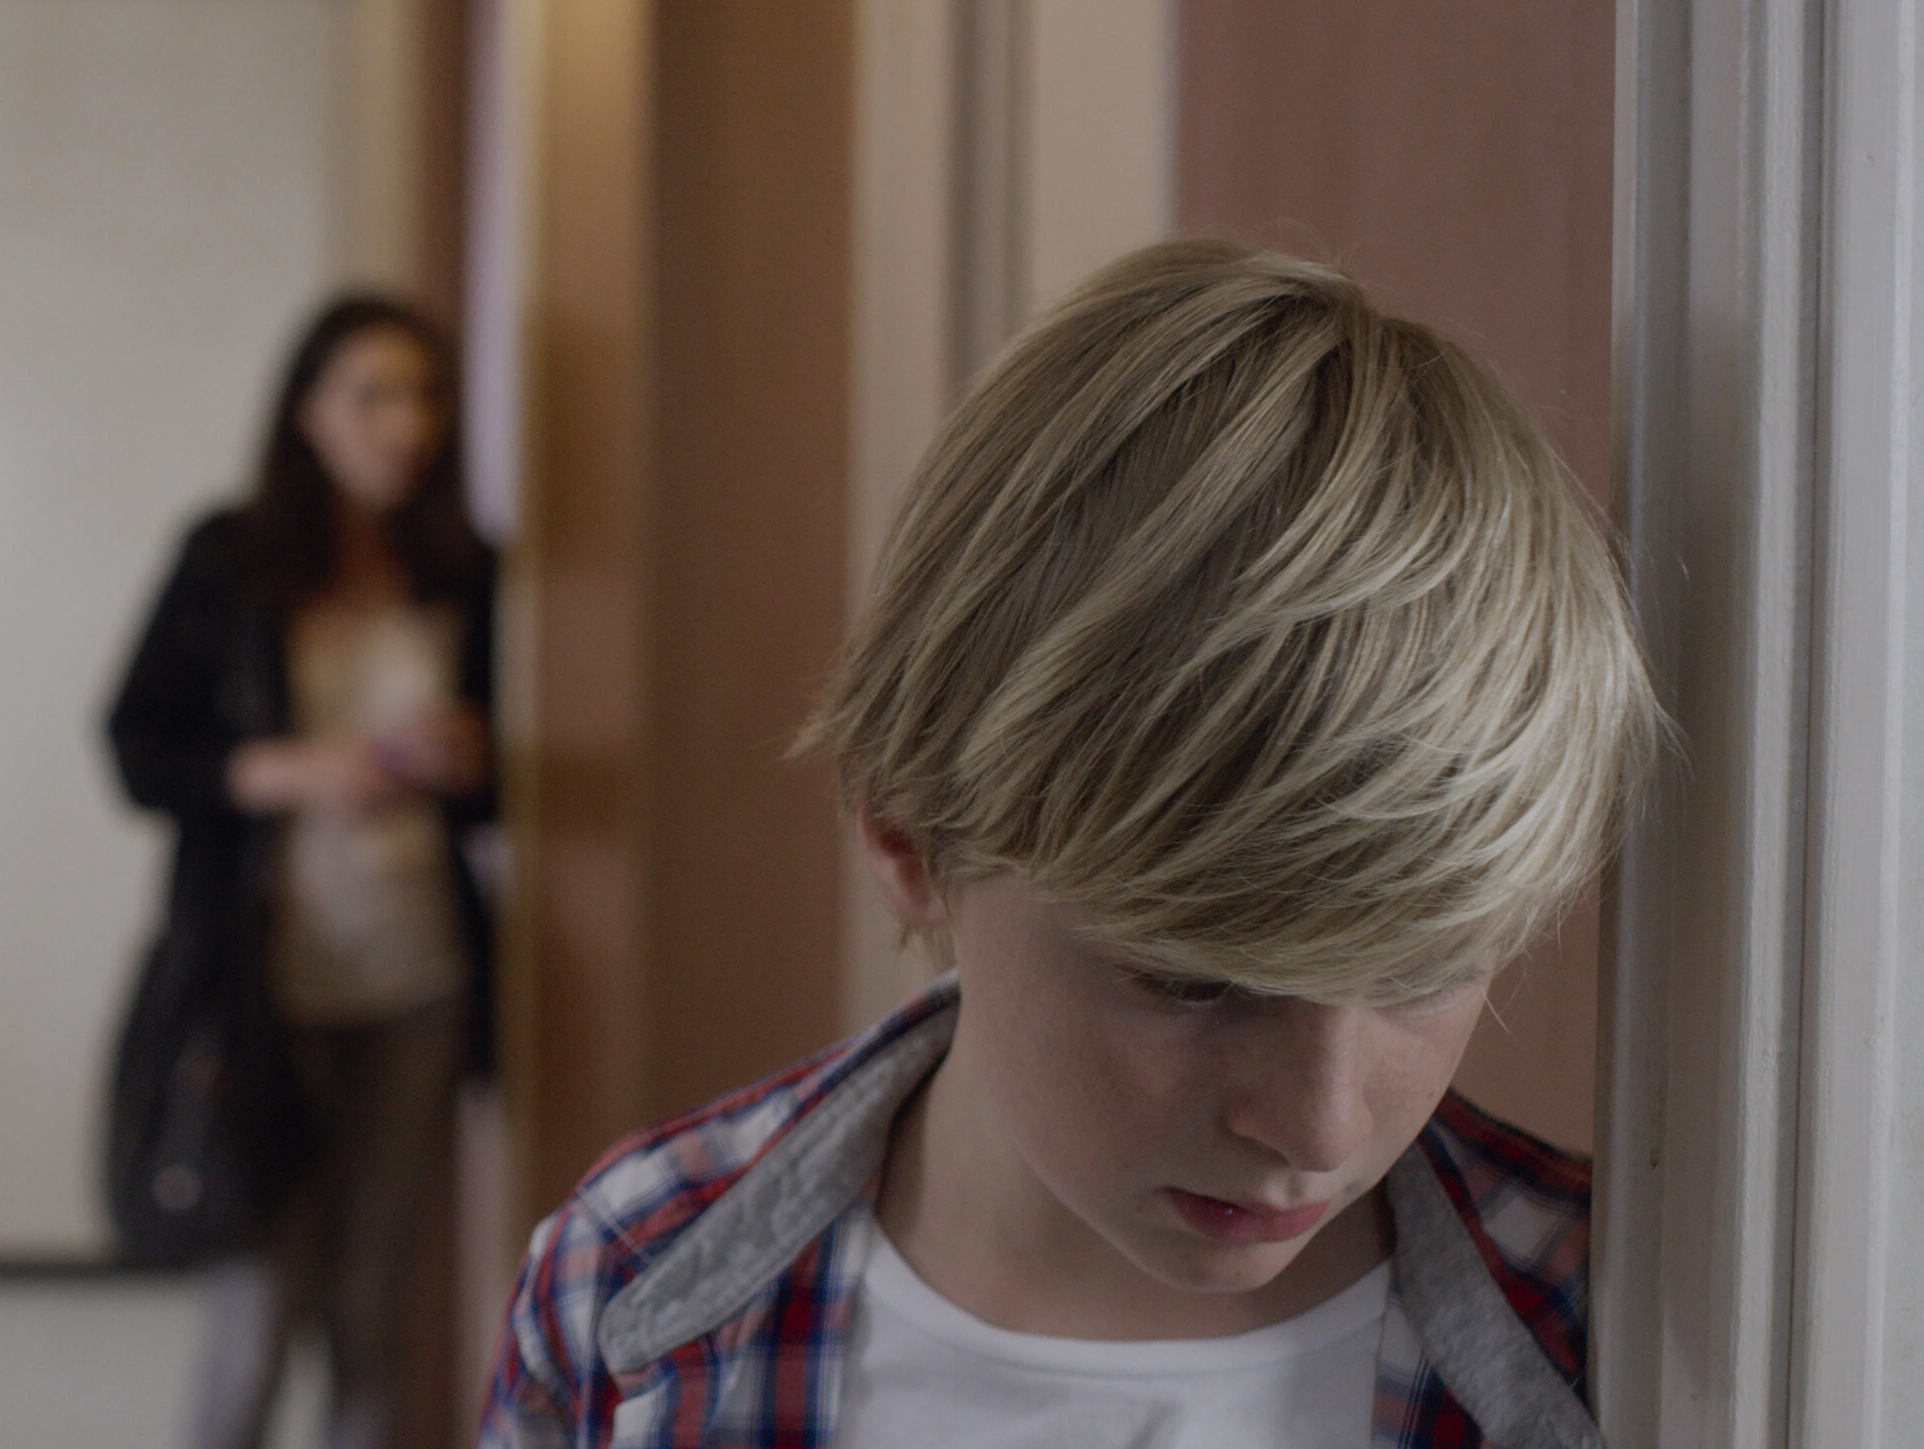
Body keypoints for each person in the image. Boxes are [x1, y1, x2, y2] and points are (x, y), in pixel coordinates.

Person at [477, 240, 1657, 1448]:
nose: (1318, 1126)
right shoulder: (626, 1288)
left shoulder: (1620, 1335)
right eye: (1193, 981)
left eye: (1417, 971)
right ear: (908, 831)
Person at [109, 294, 496, 1449]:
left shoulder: (464, 571)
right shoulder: (227, 561)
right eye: (372, 396)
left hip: (418, 977)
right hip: (260, 986)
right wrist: (296, 770)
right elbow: (136, 747)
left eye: (423, 396)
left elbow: (505, 790)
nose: (404, 425)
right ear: (308, 413)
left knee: (373, 1309)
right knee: (256, 1312)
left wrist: (472, 760)